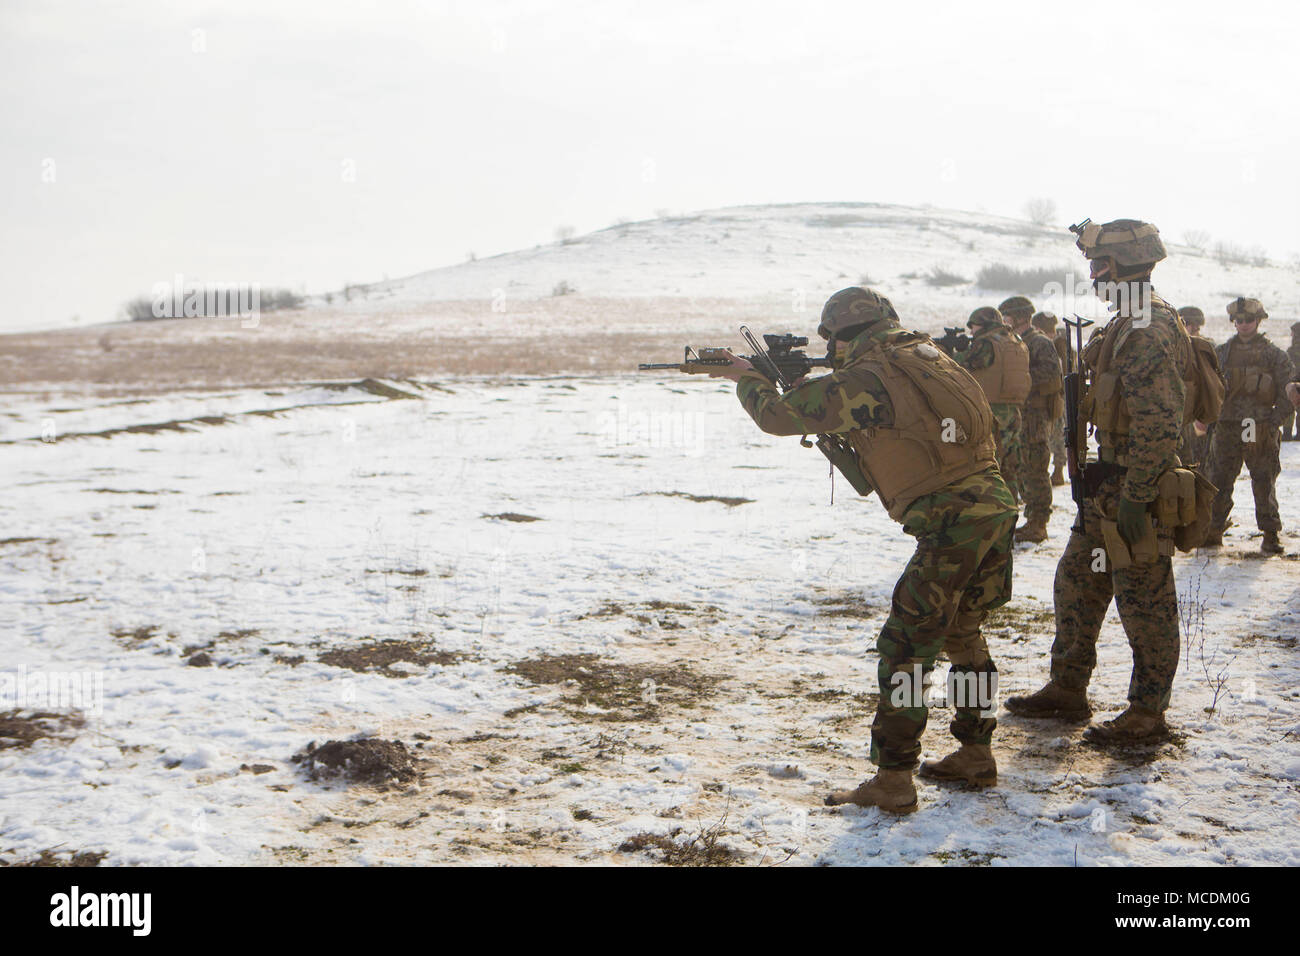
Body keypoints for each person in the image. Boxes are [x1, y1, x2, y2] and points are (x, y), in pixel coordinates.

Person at [695, 287, 1017, 812]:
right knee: (963, 633)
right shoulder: (927, 356)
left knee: (906, 651)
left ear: (839, 335)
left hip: (952, 522)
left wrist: (744, 379)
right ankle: (975, 752)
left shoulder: (868, 375)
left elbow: (777, 416)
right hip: (994, 506)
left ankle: (893, 780)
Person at [1006, 219, 1192, 741]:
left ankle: (1147, 712)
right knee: (1077, 586)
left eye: (1099, 266)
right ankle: (1067, 688)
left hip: (1137, 487)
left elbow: (1160, 422)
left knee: (1144, 602)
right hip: (1106, 486)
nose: (1092, 275)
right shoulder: (1125, 323)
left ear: (1122, 266)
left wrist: (1136, 497)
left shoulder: (1146, 329)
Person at [1202, 298, 1294, 555]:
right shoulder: (1222, 353)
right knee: (1219, 479)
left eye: (1249, 320)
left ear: (1259, 321)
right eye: (1238, 321)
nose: (1243, 325)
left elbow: (1290, 391)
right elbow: (1209, 388)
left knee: (1263, 479)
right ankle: (1213, 530)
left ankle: (1270, 533)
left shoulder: (1273, 354)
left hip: (1258, 426)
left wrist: (1275, 421)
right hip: (1228, 426)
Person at [1000, 297, 1064, 542]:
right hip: (1018, 417)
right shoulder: (1015, 342)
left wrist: (1019, 380)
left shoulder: (1039, 342)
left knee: (1035, 469)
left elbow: (1050, 373)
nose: (1004, 321)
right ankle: (1026, 519)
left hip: (1035, 417)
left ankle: (1038, 524)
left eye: (1006, 316)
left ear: (1017, 318)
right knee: (1017, 469)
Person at [954, 306, 1031, 506]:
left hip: (993, 413)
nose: (972, 331)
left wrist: (951, 352)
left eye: (975, 326)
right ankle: (1010, 510)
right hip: (1013, 412)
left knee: (989, 466)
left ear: (986, 324)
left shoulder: (986, 344)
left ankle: (993, 513)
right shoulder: (1015, 341)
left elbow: (962, 365)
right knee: (1009, 469)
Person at [1177, 306, 1213, 466]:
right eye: (1188, 323)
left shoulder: (1207, 348)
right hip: (1179, 415)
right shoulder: (1173, 348)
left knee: (1202, 462)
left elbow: (1213, 385)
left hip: (1200, 414)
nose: (1193, 328)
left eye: (1196, 324)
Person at [1283, 321, 1300, 441]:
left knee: (1289, 406)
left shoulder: (1292, 351)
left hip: (1293, 384)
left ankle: (1287, 433)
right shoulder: (1291, 350)